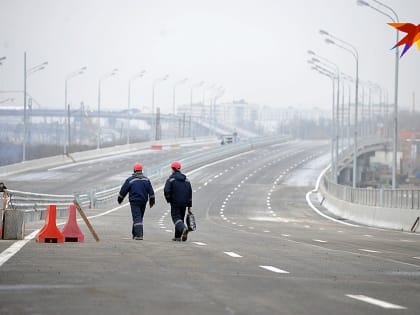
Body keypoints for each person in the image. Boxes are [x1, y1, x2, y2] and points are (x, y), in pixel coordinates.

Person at [118, 163, 155, 240]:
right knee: (139, 217)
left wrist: (120, 199)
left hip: (134, 202)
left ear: (134, 170)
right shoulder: (146, 180)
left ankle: (139, 235)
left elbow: (123, 191)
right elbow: (151, 193)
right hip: (143, 201)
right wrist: (152, 202)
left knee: (137, 217)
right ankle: (134, 233)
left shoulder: (130, 180)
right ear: (141, 170)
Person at [164, 161, 192, 242]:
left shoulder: (171, 179)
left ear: (172, 169)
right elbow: (189, 193)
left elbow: (166, 190)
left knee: (176, 218)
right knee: (181, 218)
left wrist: (169, 199)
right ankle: (177, 236)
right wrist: (189, 205)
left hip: (175, 202)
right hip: (184, 203)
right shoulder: (186, 180)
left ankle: (183, 229)